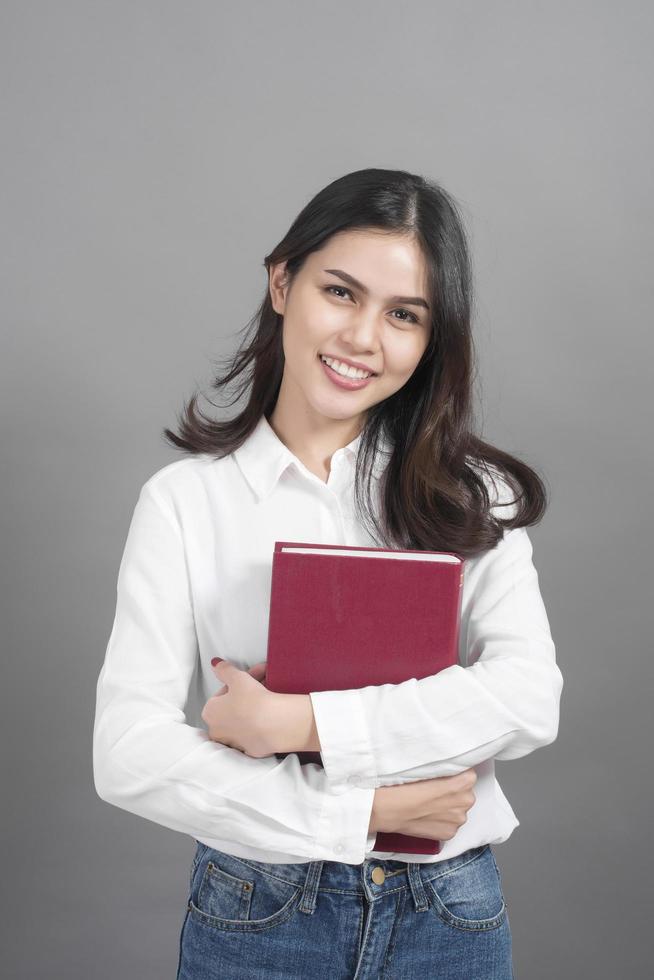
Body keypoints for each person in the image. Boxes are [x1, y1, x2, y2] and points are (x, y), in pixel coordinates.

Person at [93, 167, 563, 979]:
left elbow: (528, 699)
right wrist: (362, 811)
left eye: (404, 315)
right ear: (283, 281)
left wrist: (302, 726)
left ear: (430, 340)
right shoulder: (184, 502)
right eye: (341, 293)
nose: (363, 339)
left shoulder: (471, 499)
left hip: (447, 915)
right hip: (258, 911)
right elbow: (128, 752)